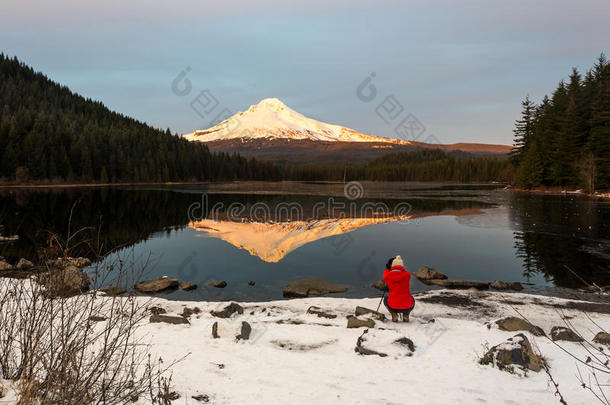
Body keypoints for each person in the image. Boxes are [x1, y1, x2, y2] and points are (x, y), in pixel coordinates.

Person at [382, 255, 415, 322]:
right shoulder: (407, 275)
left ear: (392, 265)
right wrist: (400, 266)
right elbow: (404, 271)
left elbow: (384, 277)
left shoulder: (388, 276)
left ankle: (394, 315)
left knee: (385, 299)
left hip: (393, 306)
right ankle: (406, 315)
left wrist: (387, 268)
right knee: (412, 299)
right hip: (408, 306)